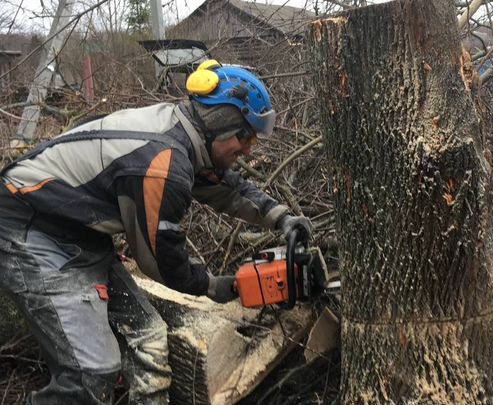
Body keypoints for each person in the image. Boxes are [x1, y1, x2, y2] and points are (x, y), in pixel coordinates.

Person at [0, 60, 312, 405]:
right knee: (91, 374)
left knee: (149, 338)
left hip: (78, 230)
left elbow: (225, 187)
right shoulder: (163, 164)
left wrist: (281, 218)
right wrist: (212, 286)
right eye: (244, 136)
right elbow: (159, 259)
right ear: (220, 123)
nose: (248, 148)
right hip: (30, 225)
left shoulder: (183, 133)